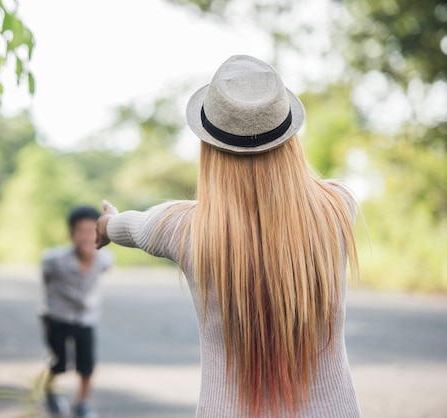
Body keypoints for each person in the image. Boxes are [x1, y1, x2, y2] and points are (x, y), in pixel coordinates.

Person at [96, 55, 362, 417]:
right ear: (290, 140)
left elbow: (128, 226)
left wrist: (105, 226)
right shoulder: (339, 205)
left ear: (210, 148)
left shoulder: (184, 228)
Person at [39, 205, 113, 418]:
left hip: (85, 317)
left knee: (86, 364)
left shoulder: (104, 259)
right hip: (57, 316)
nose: (87, 237)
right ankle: (50, 391)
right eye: (80, 231)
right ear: (71, 234)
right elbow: (46, 278)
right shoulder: (55, 260)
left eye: (92, 231)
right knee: (58, 362)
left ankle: (82, 403)